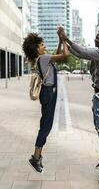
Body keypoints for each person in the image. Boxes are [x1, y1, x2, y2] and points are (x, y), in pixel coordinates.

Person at [58, 27, 99, 179]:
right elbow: (79, 53)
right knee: (98, 127)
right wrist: (64, 40)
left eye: (98, 36)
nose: (95, 38)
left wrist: (67, 38)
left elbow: (83, 52)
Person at [22, 32, 68, 174]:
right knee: (46, 126)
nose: (44, 46)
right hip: (48, 93)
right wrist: (65, 39)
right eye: (42, 45)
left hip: (48, 93)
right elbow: (64, 55)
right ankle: (36, 158)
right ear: (36, 48)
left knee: (46, 124)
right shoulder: (43, 58)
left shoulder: (43, 58)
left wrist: (60, 41)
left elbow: (57, 54)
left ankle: (37, 156)